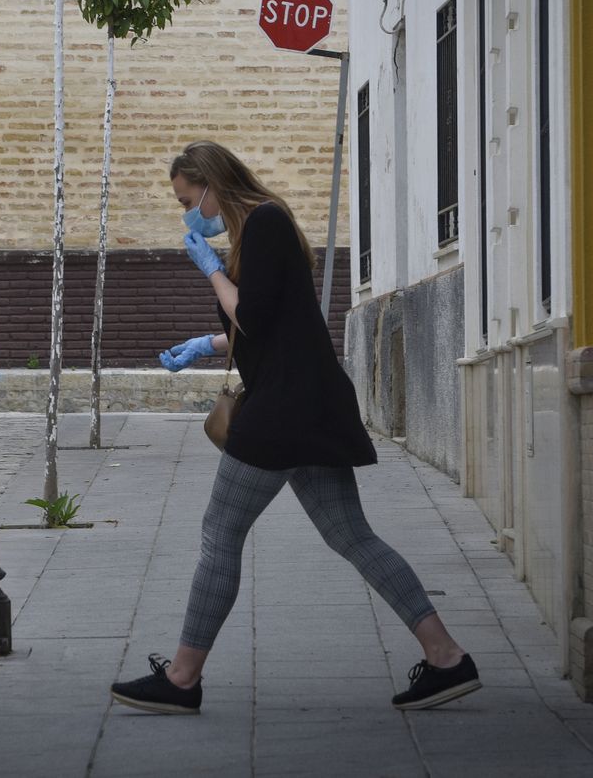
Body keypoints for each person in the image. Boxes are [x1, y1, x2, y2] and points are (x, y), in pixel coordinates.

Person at [108, 140, 480, 715]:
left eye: (188, 199)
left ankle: (181, 679)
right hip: (305, 403)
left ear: (210, 185)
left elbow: (252, 314)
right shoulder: (258, 228)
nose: (188, 213)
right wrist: (206, 345)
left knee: (220, 532)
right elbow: (274, 324)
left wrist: (210, 272)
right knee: (351, 536)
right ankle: (447, 657)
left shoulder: (265, 222)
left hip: (282, 410)